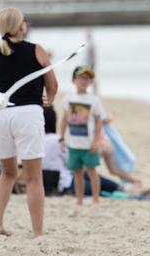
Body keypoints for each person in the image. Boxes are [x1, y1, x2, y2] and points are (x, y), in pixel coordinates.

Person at [0, 7, 58, 237]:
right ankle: (37, 232)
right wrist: (50, 99)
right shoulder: (36, 49)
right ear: (21, 26)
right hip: (26, 113)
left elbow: (0, 82)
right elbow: (53, 84)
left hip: (0, 114)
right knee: (33, 177)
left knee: (7, 173)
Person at [59, 65, 103, 205]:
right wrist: (61, 137)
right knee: (77, 173)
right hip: (73, 143)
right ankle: (79, 200)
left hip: (88, 143)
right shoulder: (68, 98)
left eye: (88, 78)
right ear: (74, 80)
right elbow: (64, 119)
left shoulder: (94, 100)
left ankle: (96, 198)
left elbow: (98, 122)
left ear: (91, 82)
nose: (85, 80)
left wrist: (96, 141)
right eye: (81, 77)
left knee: (92, 171)